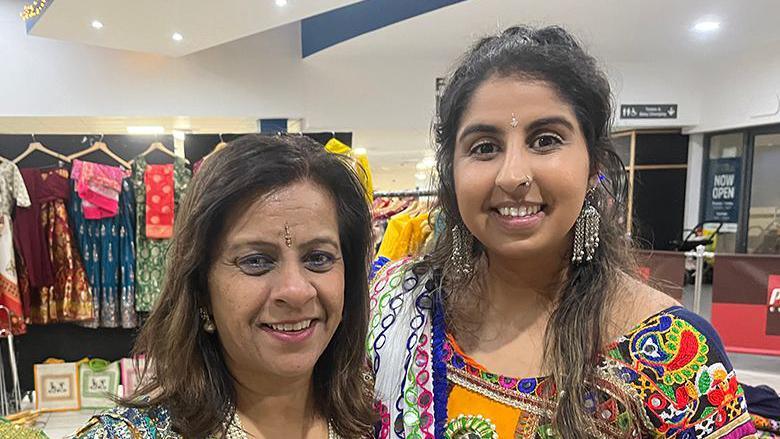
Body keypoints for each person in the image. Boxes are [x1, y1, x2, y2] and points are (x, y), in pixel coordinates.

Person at [368, 26, 757, 438]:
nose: (513, 175)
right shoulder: (395, 306)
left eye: (545, 140)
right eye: (484, 146)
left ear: (592, 167)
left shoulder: (679, 355)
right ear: (452, 174)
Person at [77, 134, 375, 438]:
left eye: (318, 258)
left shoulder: (384, 416)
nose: (296, 291)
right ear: (201, 290)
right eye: (257, 261)